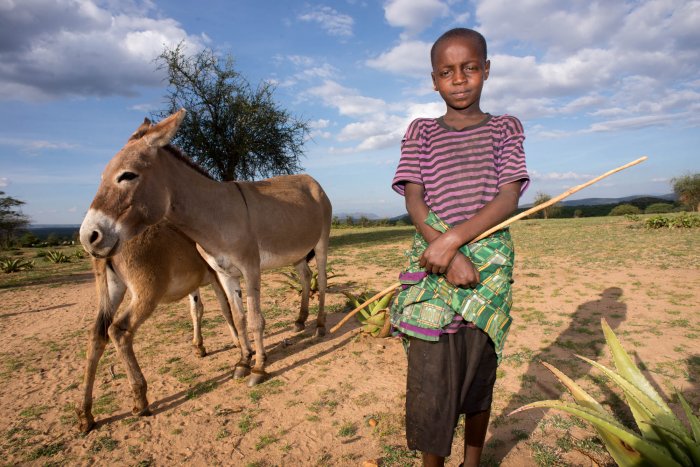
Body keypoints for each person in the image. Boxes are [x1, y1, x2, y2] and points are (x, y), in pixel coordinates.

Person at [390, 28, 529, 467]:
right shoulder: (420, 132)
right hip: (433, 262)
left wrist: (455, 241)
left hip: (487, 267)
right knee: (433, 374)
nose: (460, 79)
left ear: (486, 70)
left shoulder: (505, 128)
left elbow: (508, 197)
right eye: (447, 71)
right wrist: (443, 249)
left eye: (470, 68)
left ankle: (472, 462)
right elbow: (415, 199)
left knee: (477, 371)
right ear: (434, 80)